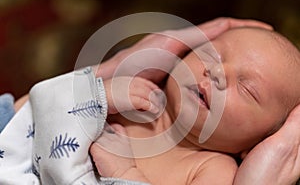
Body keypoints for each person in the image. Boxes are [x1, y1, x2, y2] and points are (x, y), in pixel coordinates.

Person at [0, 17, 298, 184]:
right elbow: (31, 117)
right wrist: (94, 93)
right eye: (213, 54)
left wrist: (126, 175)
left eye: (247, 89)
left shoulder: (211, 170)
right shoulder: (127, 92)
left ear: (256, 145)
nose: (217, 72)